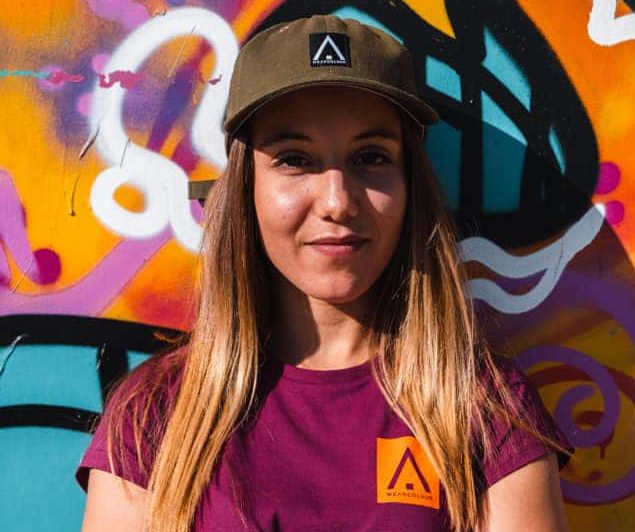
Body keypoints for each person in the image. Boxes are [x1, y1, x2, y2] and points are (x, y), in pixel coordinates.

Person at [76, 14, 573, 532]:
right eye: (294, 160)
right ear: (246, 189)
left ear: (410, 187)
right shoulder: (155, 414)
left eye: (371, 157)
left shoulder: (485, 408)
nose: (337, 201)